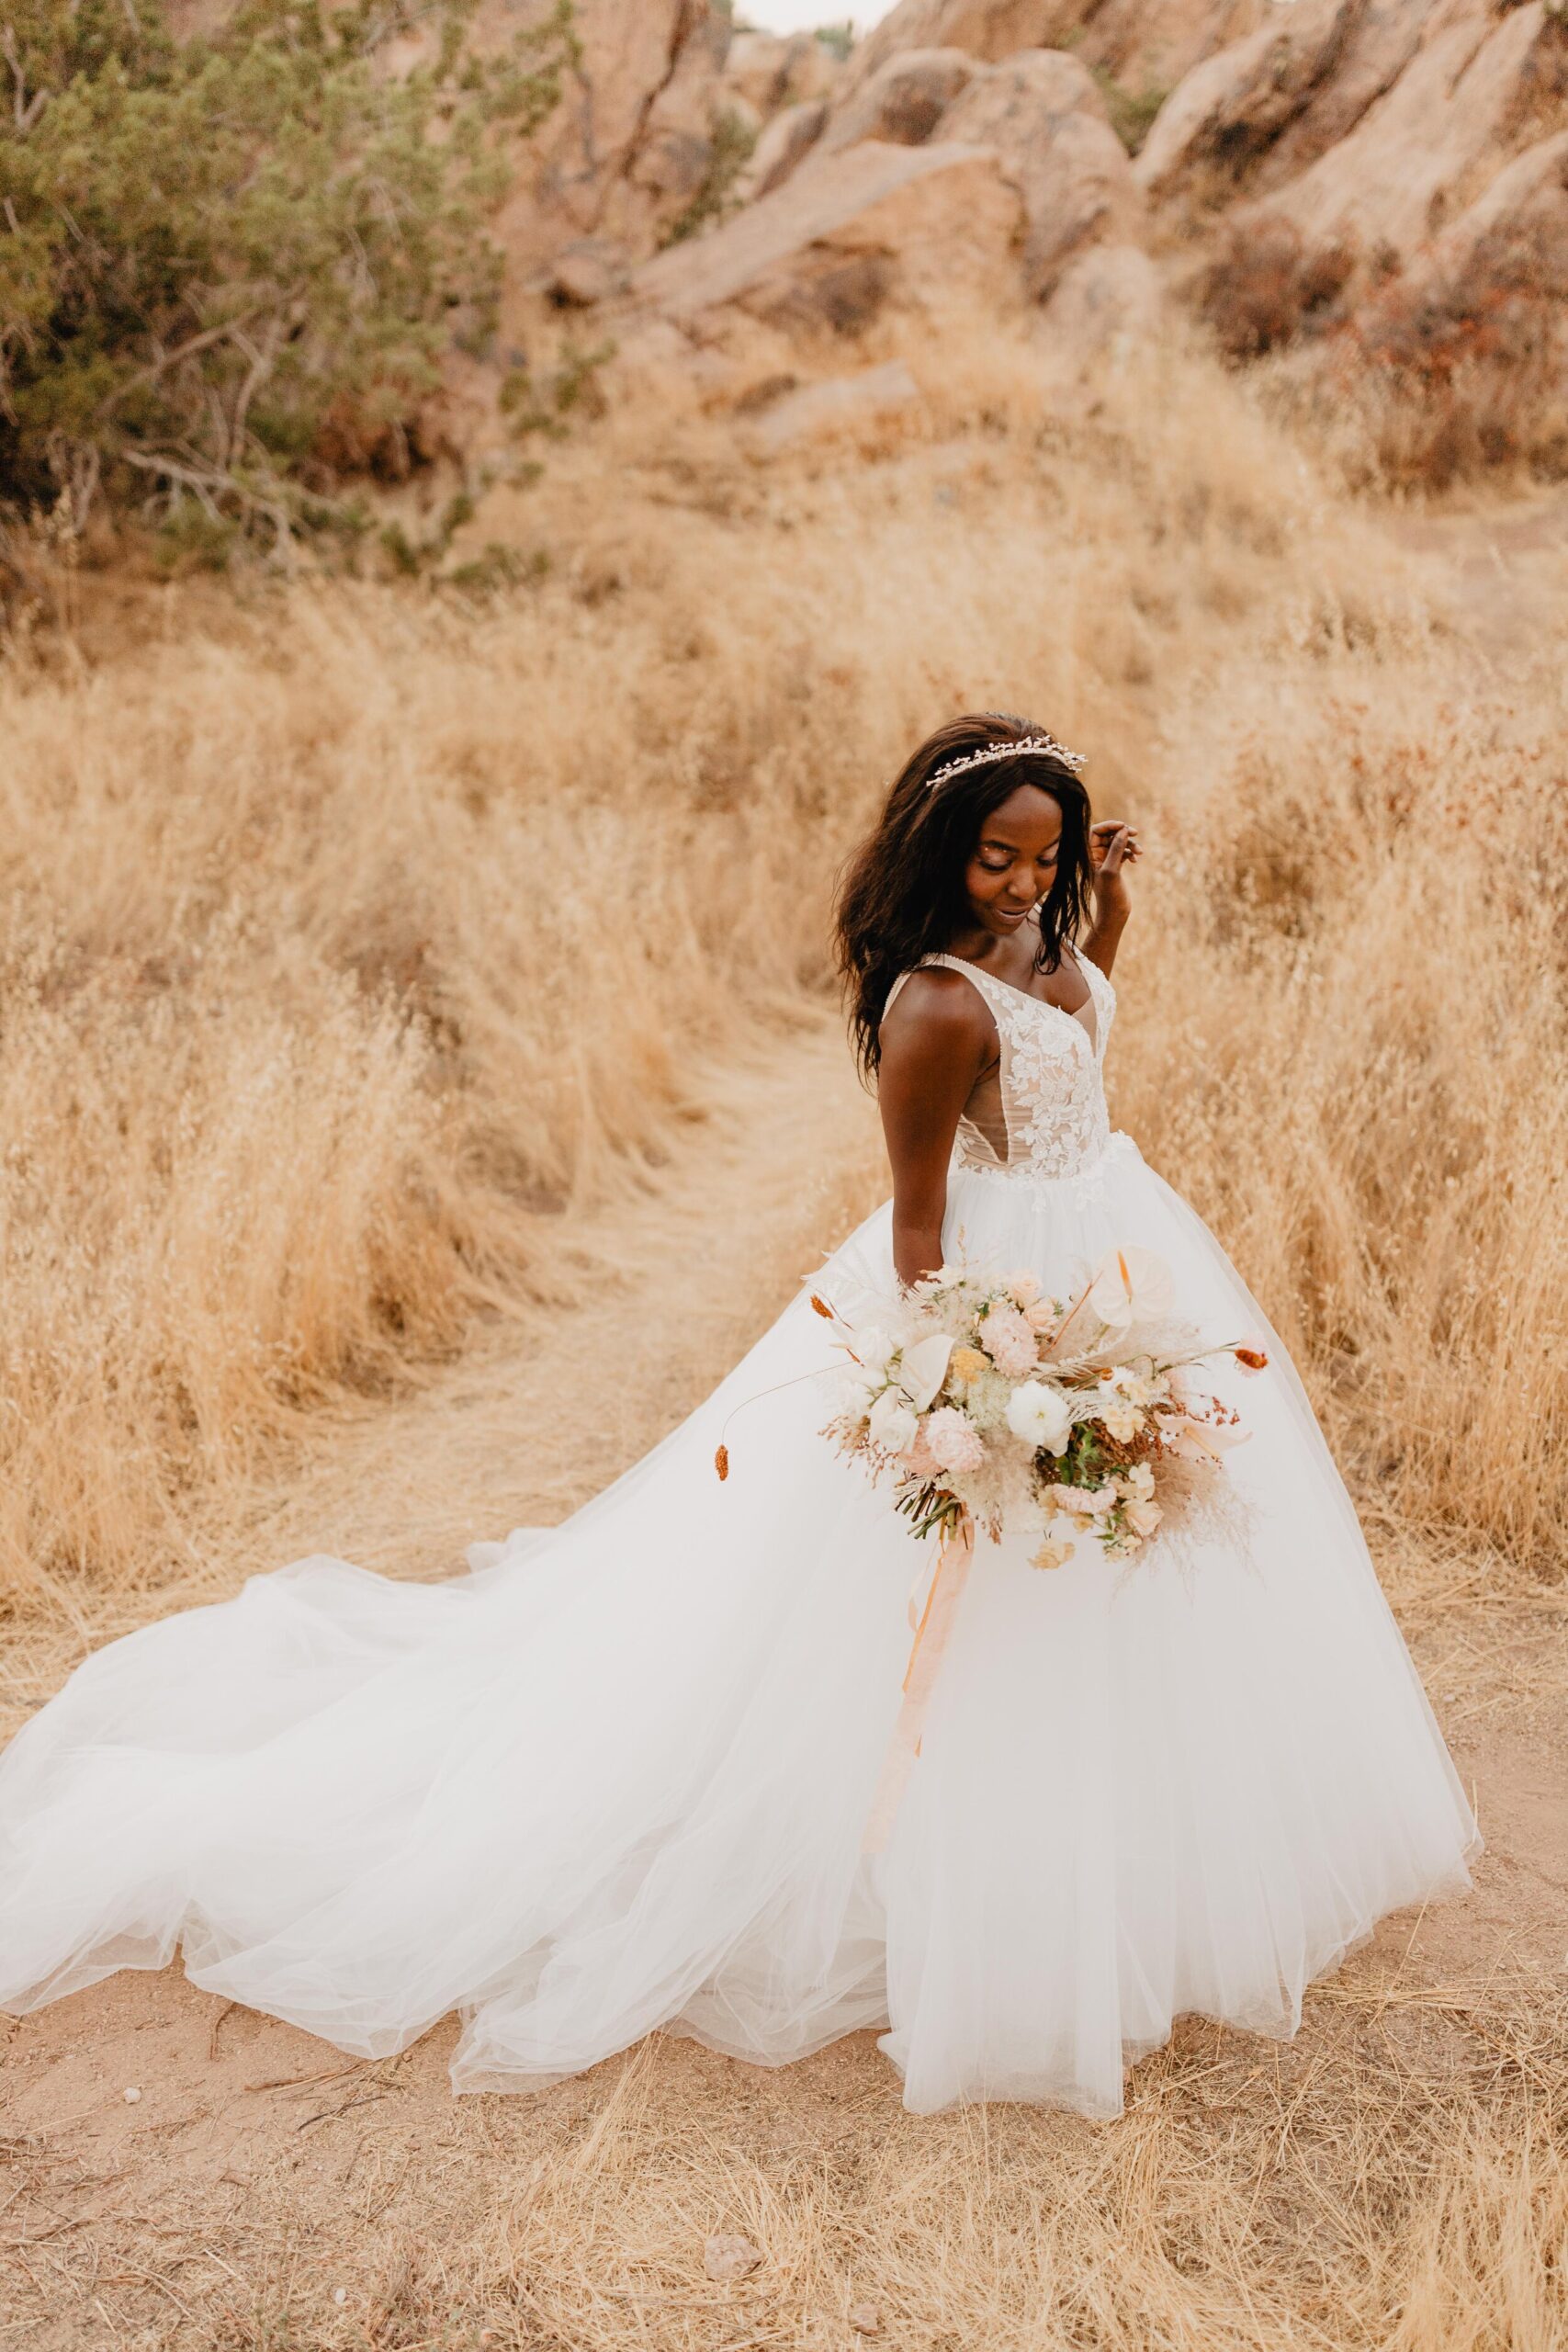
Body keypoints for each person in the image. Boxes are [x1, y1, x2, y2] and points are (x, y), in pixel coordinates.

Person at [0, 714, 1477, 2118]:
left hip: (1121, 1247)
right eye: (1000, 860)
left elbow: (1081, 1029)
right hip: (993, 1297)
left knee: (1135, 1568)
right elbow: (915, 1233)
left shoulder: (1052, 940)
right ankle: (951, 1882)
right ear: (941, 853)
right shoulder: (936, 1005)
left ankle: (1133, 1859)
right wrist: (971, 1387)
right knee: (955, 1583)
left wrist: (1101, 916)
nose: (1030, 882)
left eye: (1051, 854)